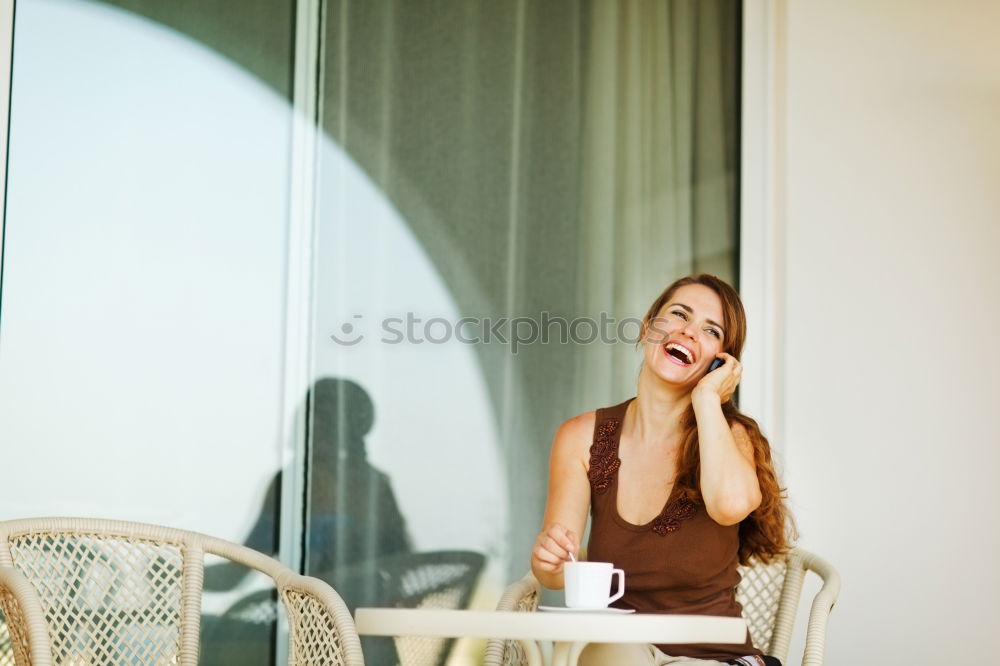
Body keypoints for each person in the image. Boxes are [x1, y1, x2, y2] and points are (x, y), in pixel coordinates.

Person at [531, 274, 793, 666]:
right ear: (647, 327)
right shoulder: (579, 437)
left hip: (714, 659)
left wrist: (707, 399)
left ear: (722, 363)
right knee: (599, 652)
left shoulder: (733, 437)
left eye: (710, 330)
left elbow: (730, 505)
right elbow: (556, 572)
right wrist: (547, 561)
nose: (688, 331)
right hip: (620, 651)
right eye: (678, 314)